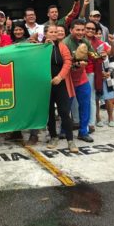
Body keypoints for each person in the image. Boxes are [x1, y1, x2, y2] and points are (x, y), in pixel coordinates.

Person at [44, 25, 79, 153]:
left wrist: (60, 77)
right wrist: (44, 46)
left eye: (55, 32)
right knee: (50, 113)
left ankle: (70, 140)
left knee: (64, 112)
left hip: (60, 84)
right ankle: (53, 137)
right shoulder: (41, 47)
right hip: (46, 85)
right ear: (46, 33)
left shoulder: (62, 46)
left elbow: (68, 62)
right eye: (51, 32)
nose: (54, 34)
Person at [62, 19, 95, 143]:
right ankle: (63, 130)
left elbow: (93, 55)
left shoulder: (85, 41)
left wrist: (102, 55)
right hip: (68, 80)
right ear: (71, 30)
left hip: (82, 79)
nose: (81, 32)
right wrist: (76, 65)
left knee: (85, 105)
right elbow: (64, 65)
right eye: (78, 30)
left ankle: (83, 132)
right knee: (65, 107)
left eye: (82, 30)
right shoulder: (65, 43)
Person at [84, 21, 112, 132]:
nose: (90, 30)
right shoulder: (78, 40)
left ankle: (91, 124)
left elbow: (111, 52)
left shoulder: (99, 43)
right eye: (88, 28)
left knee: (91, 98)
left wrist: (112, 46)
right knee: (77, 99)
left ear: (96, 31)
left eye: (92, 29)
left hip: (91, 73)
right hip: (77, 72)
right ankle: (79, 122)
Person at [95, 28, 114, 128]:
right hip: (96, 77)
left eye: (100, 33)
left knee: (109, 98)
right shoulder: (90, 45)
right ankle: (98, 118)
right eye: (96, 33)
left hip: (108, 77)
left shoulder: (106, 45)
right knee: (96, 99)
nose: (98, 35)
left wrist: (109, 72)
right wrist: (99, 72)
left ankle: (111, 118)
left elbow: (112, 57)